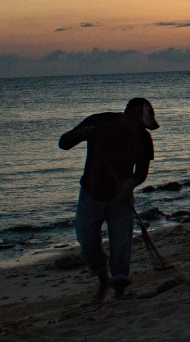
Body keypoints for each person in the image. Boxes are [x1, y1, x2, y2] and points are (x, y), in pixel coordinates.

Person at [59, 97, 158, 302]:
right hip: (91, 194)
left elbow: (141, 173)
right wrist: (83, 134)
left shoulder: (143, 139)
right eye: (140, 123)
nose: (142, 129)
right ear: (130, 117)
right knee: (87, 241)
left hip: (120, 199)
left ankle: (119, 290)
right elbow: (64, 143)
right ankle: (103, 280)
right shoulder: (100, 122)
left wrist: (130, 184)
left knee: (121, 245)